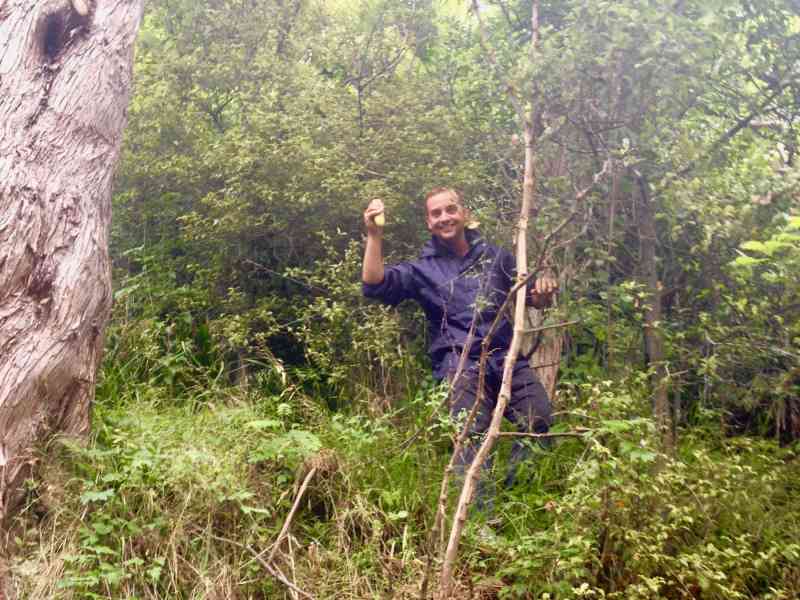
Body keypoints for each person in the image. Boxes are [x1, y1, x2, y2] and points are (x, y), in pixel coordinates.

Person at [361, 187, 556, 502]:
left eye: (450, 209)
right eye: (436, 213)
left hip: (507, 359)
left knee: (539, 417)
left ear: (464, 214)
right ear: (428, 223)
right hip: (459, 363)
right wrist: (374, 235)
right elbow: (375, 285)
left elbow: (529, 296)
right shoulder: (422, 269)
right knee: (470, 434)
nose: (444, 217)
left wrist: (542, 293)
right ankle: (480, 521)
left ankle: (515, 501)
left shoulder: (496, 257)